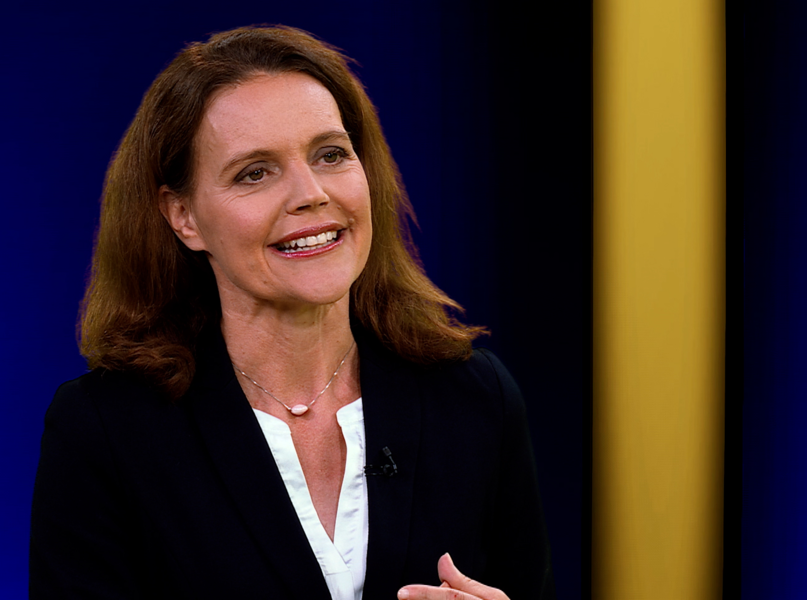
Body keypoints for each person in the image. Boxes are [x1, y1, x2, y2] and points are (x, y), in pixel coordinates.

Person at [29, 25, 554, 600]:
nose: (311, 193)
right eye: (255, 172)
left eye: (331, 155)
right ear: (183, 216)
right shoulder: (106, 431)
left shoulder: (477, 399)